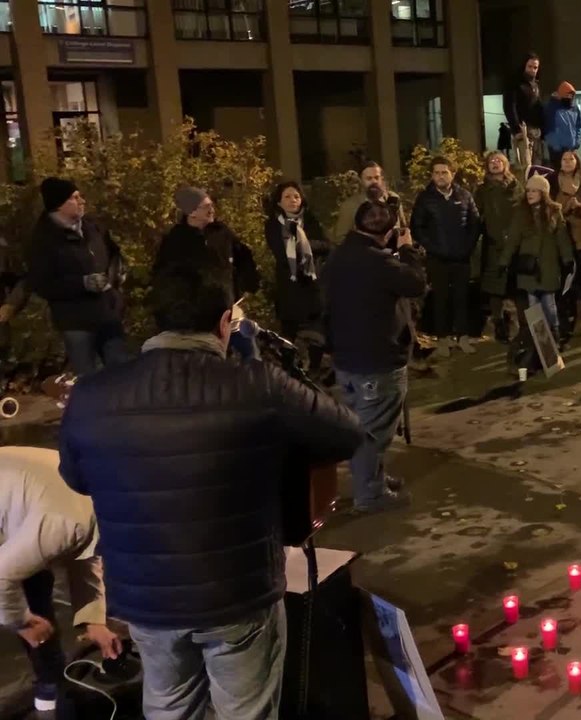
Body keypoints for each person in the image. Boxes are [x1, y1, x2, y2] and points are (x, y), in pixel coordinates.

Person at [60, 254, 362, 719]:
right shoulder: (256, 385)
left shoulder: (92, 394)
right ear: (226, 321)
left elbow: (77, 477)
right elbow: (346, 432)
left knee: (169, 707)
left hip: (144, 598)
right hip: (237, 596)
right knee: (246, 710)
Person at [1, 446, 119, 716]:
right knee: (28, 604)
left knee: (36, 589)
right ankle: (49, 689)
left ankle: (49, 686)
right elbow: (2, 574)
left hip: (25, 502)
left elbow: (86, 556)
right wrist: (21, 621)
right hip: (18, 505)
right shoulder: (68, 522)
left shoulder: (99, 505)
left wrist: (94, 621)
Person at [325, 198, 426, 512]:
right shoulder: (380, 263)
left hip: (346, 356)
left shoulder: (339, 257)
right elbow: (415, 283)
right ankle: (369, 493)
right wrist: (409, 251)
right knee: (373, 431)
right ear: (391, 231)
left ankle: (374, 479)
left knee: (361, 421)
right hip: (376, 359)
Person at [27, 177, 130, 377]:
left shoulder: (92, 227)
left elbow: (114, 253)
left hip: (107, 314)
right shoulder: (44, 240)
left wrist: (117, 277)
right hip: (76, 322)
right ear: (58, 205)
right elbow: (41, 284)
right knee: (89, 381)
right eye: (75, 197)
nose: (82, 201)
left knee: (121, 373)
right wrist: (82, 284)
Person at [411, 156, 482, 357]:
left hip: (461, 257)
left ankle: (463, 337)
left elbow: (474, 224)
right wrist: (433, 248)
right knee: (440, 299)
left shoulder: (465, 195)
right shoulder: (425, 198)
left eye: (444, 172)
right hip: (437, 258)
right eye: (436, 173)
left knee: (462, 298)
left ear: (452, 173)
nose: (440, 176)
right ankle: (442, 339)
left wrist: (467, 247)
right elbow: (417, 227)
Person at [501, 174, 574, 368]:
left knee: (549, 306)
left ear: (543, 193)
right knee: (533, 309)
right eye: (528, 190)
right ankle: (540, 348)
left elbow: (562, 239)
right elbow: (513, 240)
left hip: (548, 268)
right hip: (529, 270)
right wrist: (504, 262)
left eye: (534, 191)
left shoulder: (554, 212)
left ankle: (555, 340)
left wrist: (567, 260)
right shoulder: (521, 213)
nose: (530, 194)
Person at [155, 186, 261, 300]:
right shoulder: (175, 240)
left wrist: (246, 285)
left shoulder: (221, 231)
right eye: (206, 207)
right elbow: (166, 279)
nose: (212, 210)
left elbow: (243, 256)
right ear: (192, 212)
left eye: (211, 205)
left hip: (226, 306)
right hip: (195, 311)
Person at [264, 181, 329, 365]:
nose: (293, 200)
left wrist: (307, 243)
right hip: (290, 285)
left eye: (296, 196)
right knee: (290, 334)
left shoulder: (310, 220)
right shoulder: (273, 224)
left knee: (317, 333)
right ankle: (292, 371)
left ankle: (315, 368)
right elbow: (281, 252)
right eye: (287, 196)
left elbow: (326, 245)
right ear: (278, 202)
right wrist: (302, 246)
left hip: (312, 283)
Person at [475, 152, 521, 344]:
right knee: (495, 287)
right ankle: (499, 324)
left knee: (516, 285)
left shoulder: (515, 186)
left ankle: (519, 324)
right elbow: (476, 215)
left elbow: (522, 211)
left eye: (499, 161)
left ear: (505, 165)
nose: (495, 164)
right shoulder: (482, 190)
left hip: (515, 244)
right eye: (491, 161)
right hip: (493, 245)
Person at [550, 150, 581, 339]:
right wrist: (560, 209)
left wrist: (580, 207)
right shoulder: (552, 181)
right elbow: (546, 205)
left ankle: (579, 320)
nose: (568, 162)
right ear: (560, 162)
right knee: (561, 279)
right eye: (564, 159)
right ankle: (561, 320)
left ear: (577, 161)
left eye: (571, 159)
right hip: (559, 237)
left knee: (579, 280)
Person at [332, 161, 409, 241]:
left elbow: (404, 228)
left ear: (381, 179)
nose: (374, 182)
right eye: (369, 178)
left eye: (376, 177)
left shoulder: (393, 199)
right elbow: (340, 238)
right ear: (361, 181)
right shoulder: (350, 205)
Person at [504, 53, 543, 172]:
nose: (532, 70)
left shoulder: (535, 85)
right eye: (530, 66)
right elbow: (509, 107)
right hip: (523, 131)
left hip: (536, 131)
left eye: (535, 67)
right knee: (524, 167)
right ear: (524, 66)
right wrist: (516, 129)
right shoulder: (515, 84)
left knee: (537, 166)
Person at [543, 81, 581, 170]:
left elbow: (577, 127)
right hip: (557, 150)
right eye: (567, 95)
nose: (569, 97)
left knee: (572, 172)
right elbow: (549, 129)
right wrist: (555, 146)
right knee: (558, 172)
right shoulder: (551, 108)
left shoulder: (575, 109)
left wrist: (577, 142)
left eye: (571, 95)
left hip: (571, 148)